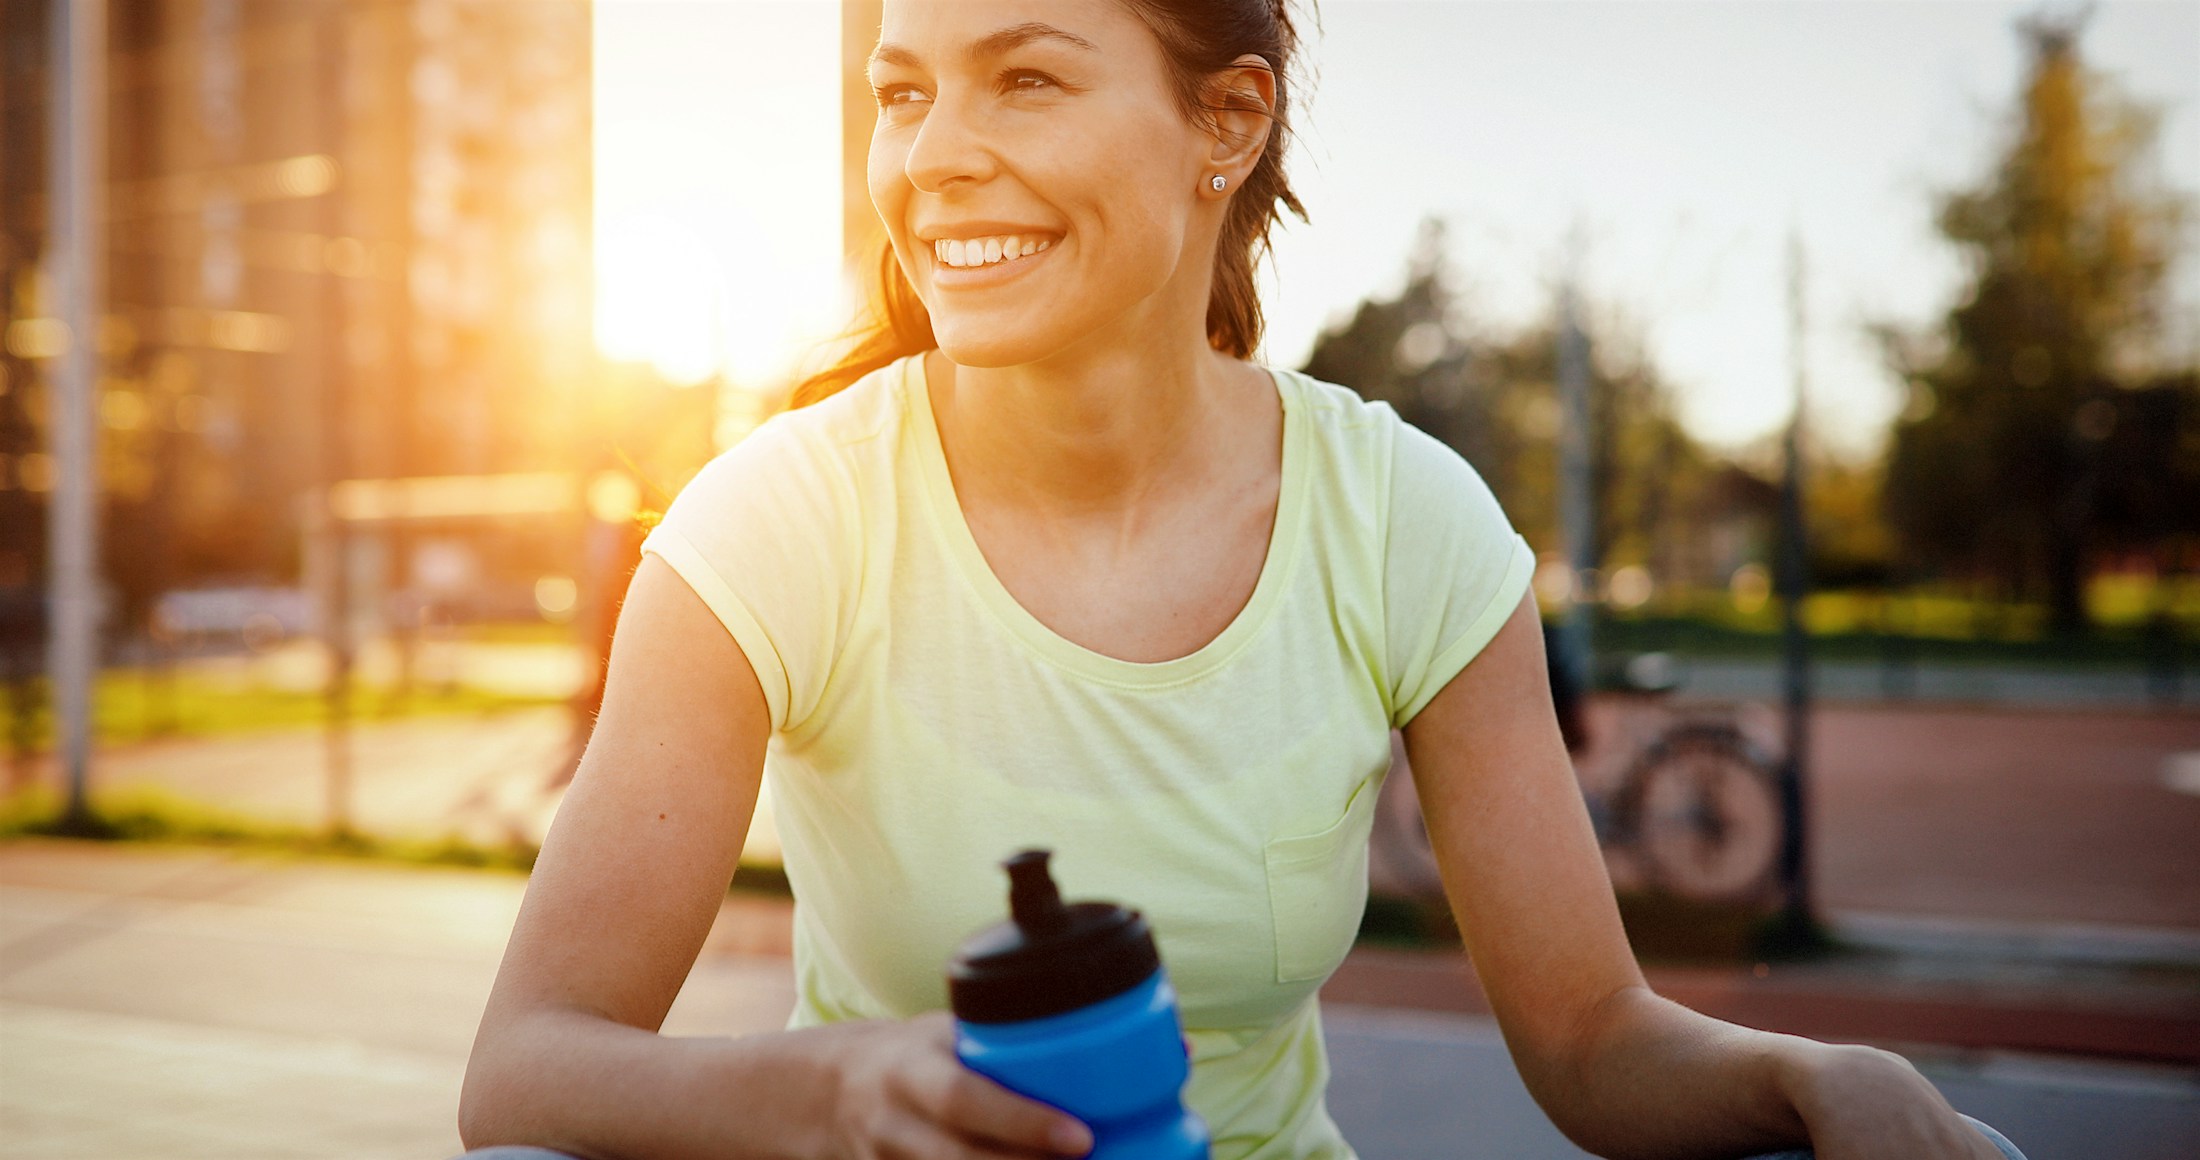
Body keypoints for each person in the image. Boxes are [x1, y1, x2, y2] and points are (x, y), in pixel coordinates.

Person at [458, 2, 2028, 1157]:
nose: (933, 157)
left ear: (1227, 122)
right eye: (903, 93)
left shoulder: (1405, 521)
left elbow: (1591, 1040)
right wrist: (832, 1091)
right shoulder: (776, 523)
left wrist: (1813, 1077)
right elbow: (526, 1070)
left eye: (1025, 78)